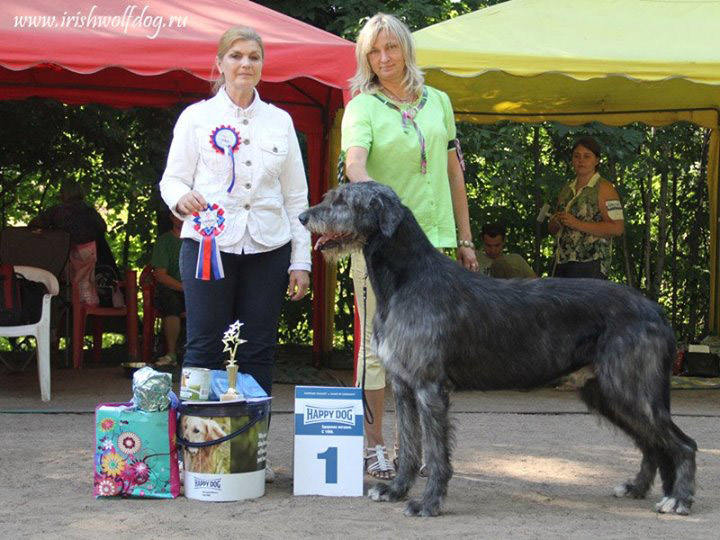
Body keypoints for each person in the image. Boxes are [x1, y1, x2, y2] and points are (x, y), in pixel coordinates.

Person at [159, 26, 311, 481]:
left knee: (259, 349)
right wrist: (180, 200)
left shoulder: (280, 121)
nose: (246, 64)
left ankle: (250, 454)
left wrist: (300, 260)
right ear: (220, 63)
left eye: (254, 57)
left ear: (262, 65)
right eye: (238, 56)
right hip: (209, 244)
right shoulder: (195, 118)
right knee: (203, 344)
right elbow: (172, 179)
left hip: (269, 246)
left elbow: (297, 200)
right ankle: (196, 452)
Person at [342, 13, 478, 480]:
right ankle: (373, 445)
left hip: (435, 245)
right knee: (377, 349)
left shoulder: (438, 101)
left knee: (428, 350)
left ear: (406, 50)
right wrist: (381, 197)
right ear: (366, 58)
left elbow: (454, 172)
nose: (383, 58)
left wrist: (465, 239)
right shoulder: (362, 106)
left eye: (391, 48)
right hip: (383, 245)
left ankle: (412, 449)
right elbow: (354, 165)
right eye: (373, 52)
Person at [30, 180, 118, 306]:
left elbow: (34, 224)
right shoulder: (89, 210)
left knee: (67, 281)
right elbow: (102, 227)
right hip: (89, 254)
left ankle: (68, 307)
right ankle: (86, 305)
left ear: (65, 193)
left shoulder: (56, 211)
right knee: (85, 282)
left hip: (64, 256)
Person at [548, 136, 624, 279]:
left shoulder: (605, 189)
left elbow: (617, 228)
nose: (581, 160)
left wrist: (577, 224)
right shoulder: (566, 190)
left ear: (597, 160)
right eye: (577, 156)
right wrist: (556, 222)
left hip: (590, 264)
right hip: (562, 262)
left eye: (587, 156)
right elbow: (552, 229)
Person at [150, 213, 184, 368]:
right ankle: (171, 353)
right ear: (171, 216)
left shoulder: (202, 241)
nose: (183, 218)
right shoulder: (164, 242)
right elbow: (161, 275)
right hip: (174, 290)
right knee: (170, 301)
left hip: (200, 289)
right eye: (179, 214)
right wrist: (185, 288)